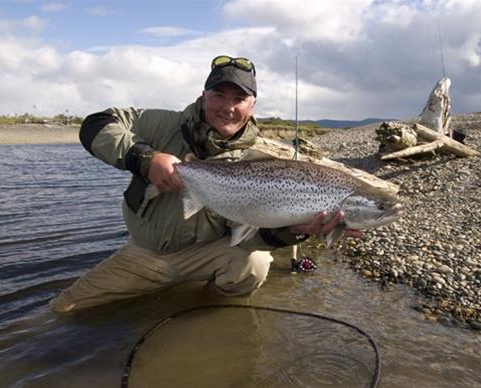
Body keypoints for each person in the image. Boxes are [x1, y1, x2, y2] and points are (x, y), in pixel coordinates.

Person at [50, 55, 361, 314]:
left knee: (254, 263)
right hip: (145, 254)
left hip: (207, 254)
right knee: (63, 310)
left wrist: (296, 230)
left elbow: (256, 238)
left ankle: (205, 311)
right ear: (204, 96)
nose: (228, 106)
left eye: (239, 98)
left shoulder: (259, 161)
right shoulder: (162, 124)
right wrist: (145, 158)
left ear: (252, 105)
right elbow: (95, 125)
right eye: (219, 95)